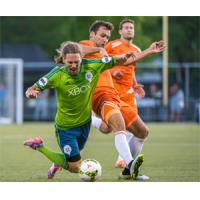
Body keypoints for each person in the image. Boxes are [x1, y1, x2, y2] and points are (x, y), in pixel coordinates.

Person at [23, 41, 137, 178]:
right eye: (70, 62)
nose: (73, 65)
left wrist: (124, 57)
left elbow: (113, 60)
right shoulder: (57, 74)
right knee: (76, 167)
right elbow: (32, 88)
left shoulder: (92, 66)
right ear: (64, 60)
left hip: (85, 123)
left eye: (77, 62)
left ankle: (59, 162)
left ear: (81, 58)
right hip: (66, 128)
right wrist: (31, 93)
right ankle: (39, 146)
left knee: (74, 157)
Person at [91, 19, 166, 180]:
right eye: (126, 27)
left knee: (141, 132)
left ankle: (127, 168)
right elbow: (104, 65)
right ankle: (129, 166)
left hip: (128, 94)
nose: (129, 30)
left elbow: (130, 66)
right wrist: (112, 73)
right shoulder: (110, 46)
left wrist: (135, 84)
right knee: (110, 128)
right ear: (120, 31)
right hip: (112, 93)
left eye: (131, 28)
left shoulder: (135, 49)